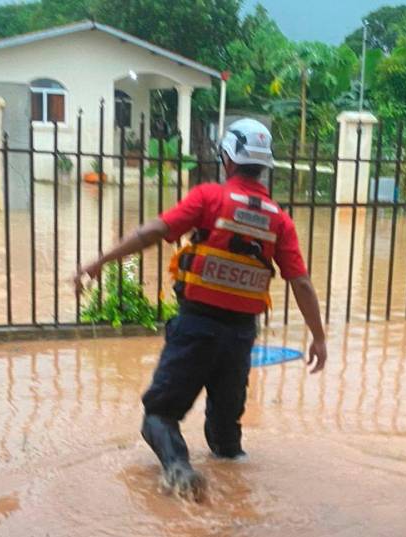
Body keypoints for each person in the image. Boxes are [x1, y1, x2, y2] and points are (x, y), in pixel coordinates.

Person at [73, 118, 326, 500]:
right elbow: (301, 283)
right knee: (225, 438)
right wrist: (319, 338)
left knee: (158, 417)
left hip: (195, 329)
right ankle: (238, 495)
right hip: (241, 338)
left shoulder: (209, 198)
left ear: (227, 159)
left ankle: (178, 469)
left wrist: (99, 261)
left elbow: (153, 232)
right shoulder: (280, 221)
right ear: (264, 166)